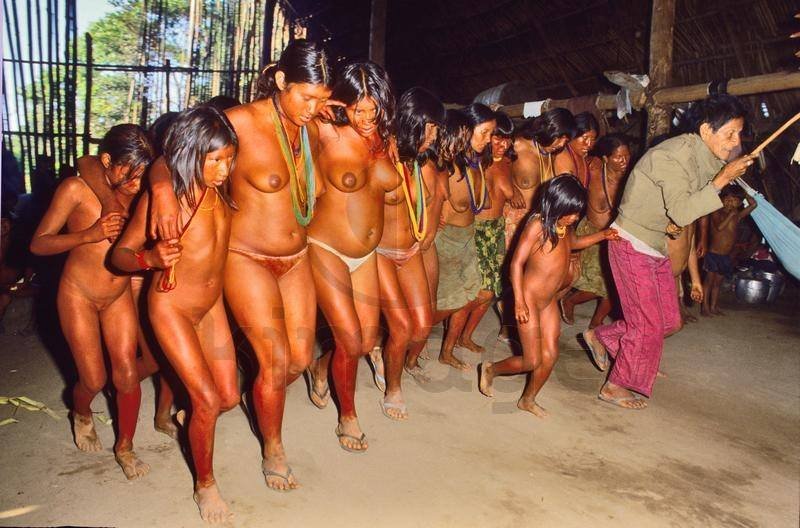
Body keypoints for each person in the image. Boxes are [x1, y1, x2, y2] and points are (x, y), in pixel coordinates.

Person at [149, 40, 333, 490]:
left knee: (296, 361)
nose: (312, 108)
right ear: (282, 80)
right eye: (306, 97)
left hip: (296, 259)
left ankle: (259, 401)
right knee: (274, 361)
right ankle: (273, 447)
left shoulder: (311, 128)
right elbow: (171, 156)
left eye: (321, 99)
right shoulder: (241, 122)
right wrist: (161, 190)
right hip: (247, 258)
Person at [581, 94, 754, 409]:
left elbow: (689, 197)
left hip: (655, 243)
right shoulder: (671, 156)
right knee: (646, 325)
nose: (735, 142)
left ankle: (605, 337)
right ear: (706, 130)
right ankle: (615, 385)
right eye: (730, 134)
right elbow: (683, 210)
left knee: (669, 321)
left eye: (739, 134)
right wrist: (722, 180)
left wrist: (727, 170)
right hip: (631, 242)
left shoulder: (702, 155)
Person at [111, 106, 239, 523]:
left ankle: (193, 417)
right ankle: (205, 485)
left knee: (228, 398)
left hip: (211, 305)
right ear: (190, 154)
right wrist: (148, 258)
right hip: (172, 307)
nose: (224, 169)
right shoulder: (163, 201)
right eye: (215, 160)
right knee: (207, 400)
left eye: (229, 159)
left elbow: (167, 162)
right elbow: (119, 255)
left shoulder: (219, 186)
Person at [29, 124, 154, 479]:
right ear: (107, 162)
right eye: (130, 173)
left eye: (143, 174)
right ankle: (81, 412)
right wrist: (90, 234)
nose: (137, 182)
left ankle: (125, 447)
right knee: (94, 380)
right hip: (78, 295)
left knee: (127, 374)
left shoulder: (141, 193)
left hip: (117, 295)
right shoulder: (76, 190)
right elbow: (39, 243)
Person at [303, 61, 401, 441]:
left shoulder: (385, 140)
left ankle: (321, 368)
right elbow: (282, 115)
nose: (366, 118)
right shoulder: (325, 131)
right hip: (327, 247)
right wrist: (321, 104)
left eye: (374, 110)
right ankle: (348, 416)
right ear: (342, 103)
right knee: (349, 338)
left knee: (364, 340)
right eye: (358, 109)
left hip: (366, 256)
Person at [478, 175, 618, 417]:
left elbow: (574, 243)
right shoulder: (537, 225)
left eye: (577, 212)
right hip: (529, 299)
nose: (574, 217)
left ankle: (528, 399)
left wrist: (602, 235)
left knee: (551, 355)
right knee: (531, 360)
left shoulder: (564, 225)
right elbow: (515, 264)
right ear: (555, 204)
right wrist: (519, 301)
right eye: (570, 212)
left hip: (548, 300)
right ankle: (491, 369)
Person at [374, 86, 443, 419]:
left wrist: (425, 238)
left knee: (421, 328)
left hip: (410, 251)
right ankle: (393, 389)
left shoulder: (420, 160)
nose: (434, 136)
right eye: (430, 128)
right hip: (380, 253)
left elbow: (431, 203)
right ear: (413, 122)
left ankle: (378, 349)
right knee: (401, 329)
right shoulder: (380, 154)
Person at [434, 104, 495, 371]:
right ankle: (407, 337)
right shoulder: (446, 165)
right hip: (445, 240)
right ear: (466, 130)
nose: (488, 140)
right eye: (484, 133)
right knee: (441, 302)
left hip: (468, 236)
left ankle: (447, 351)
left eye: (491, 134)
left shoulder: (477, 163)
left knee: (475, 294)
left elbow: (482, 202)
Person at [457, 111, 524, 351]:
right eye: (497, 138)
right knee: (480, 291)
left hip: (496, 230)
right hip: (476, 230)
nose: (502, 145)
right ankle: (452, 337)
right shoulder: (476, 162)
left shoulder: (508, 162)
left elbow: (506, 189)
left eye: (507, 140)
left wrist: (513, 189)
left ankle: (466, 336)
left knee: (492, 289)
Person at [560, 134, 631, 328]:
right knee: (588, 281)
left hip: (616, 236)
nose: (624, 161)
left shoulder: (632, 179)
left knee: (615, 285)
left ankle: (596, 323)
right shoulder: (592, 169)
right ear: (606, 158)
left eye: (627, 156)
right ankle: (570, 301)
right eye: (618, 157)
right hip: (591, 232)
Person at [702, 185, 756, 316]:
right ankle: (705, 307)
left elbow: (753, 205)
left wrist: (745, 193)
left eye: (734, 201)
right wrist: (731, 215)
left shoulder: (738, 216)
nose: (730, 203)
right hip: (713, 254)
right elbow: (719, 227)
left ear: (739, 203)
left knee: (717, 283)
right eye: (727, 199)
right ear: (722, 199)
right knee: (709, 281)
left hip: (725, 256)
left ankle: (713, 307)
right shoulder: (717, 212)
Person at [554, 112, 600, 186]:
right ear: (573, 134)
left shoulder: (580, 154)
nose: (589, 144)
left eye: (593, 139)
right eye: (585, 138)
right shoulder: (564, 159)